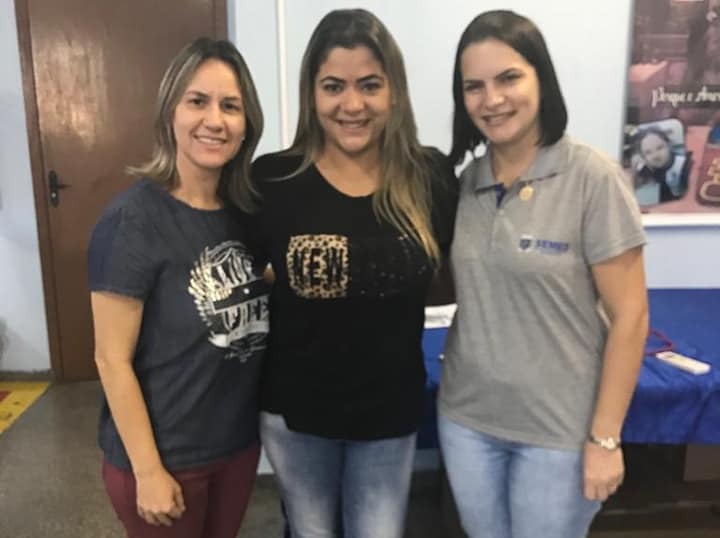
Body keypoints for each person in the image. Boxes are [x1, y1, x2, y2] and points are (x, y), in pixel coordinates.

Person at [439, 10, 648, 538]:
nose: (492, 99)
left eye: (509, 78)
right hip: (468, 422)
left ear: (541, 79)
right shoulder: (466, 183)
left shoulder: (591, 178)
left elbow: (631, 317)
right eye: (474, 87)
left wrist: (605, 439)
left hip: (558, 432)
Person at [249, 9, 458, 538]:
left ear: (394, 91)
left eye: (369, 85)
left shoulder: (429, 176)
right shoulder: (273, 179)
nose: (352, 105)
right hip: (296, 412)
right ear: (311, 94)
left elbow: (465, 271)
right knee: (311, 532)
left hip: (388, 412)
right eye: (333, 86)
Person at [88, 37, 268, 538]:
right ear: (171, 111)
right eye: (198, 101)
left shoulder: (246, 215)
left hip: (234, 447)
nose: (215, 120)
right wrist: (147, 471)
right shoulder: (132, 221)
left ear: (246, 122)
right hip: (164, 459)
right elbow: (110, 359)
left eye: (230, 106)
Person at [633, 127, 689, 204]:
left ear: (669, 145)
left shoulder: (685, 165)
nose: (655, 155)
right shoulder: (650, 169)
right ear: (643, 157)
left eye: (660, 148)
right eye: (648, 152)